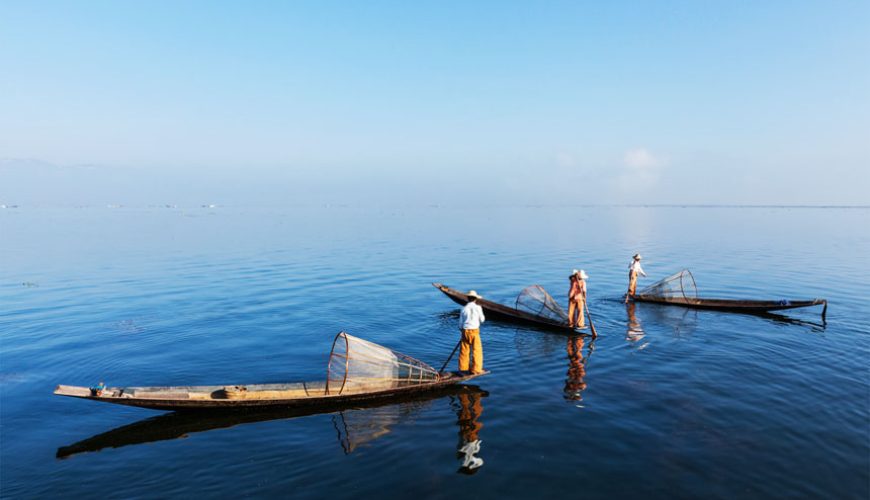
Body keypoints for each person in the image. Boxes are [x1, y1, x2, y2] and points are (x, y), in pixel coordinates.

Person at [458, 290, 485, 374]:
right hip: (474, 332)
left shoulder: (463, 309)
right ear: (475, 299)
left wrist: (462, 331)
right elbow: (482, 320)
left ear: (468, 298)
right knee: (477, 350)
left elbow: (460, 324)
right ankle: (476, 369)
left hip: (465, 331)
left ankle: (463, 369)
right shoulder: (478, 308)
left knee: (464, 351)